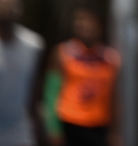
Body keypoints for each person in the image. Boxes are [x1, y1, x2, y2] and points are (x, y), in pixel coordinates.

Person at [0, 0, 45, 146]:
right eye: (1, 3)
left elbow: (35, 93)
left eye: (11, 4)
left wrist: (41, 129)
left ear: (20, 7)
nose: (6, 8)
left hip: (21, 136)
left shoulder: (33, 45)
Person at [44, 8, 120, 146]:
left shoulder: (110, 58)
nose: (85, 25)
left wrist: (115, 132)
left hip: (99, 125)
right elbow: (51, 93)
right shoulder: (63, 53)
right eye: (80, 20)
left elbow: (114, 97)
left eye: (90, 21)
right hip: (70, 122)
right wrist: (53, 129)